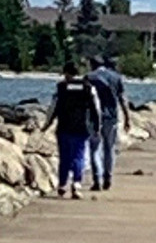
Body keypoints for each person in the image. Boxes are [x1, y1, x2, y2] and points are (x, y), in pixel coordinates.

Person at [42, 61, 102, 199]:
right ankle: (76, 183)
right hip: (82, 127)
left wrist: (47, 124)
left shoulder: (61, 87)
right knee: (79, 156)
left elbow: (53, 107)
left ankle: (62, 184)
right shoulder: (88, 87)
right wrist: (97, 126)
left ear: (67, 73)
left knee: (64, 157)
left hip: (64, 126)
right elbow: (95, 108)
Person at [86, 56, 132, 191]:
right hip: (111, 117)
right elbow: (123, 99)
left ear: (92, 64)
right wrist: (127, 117)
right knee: (109, 148)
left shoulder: (89, 77)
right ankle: (108, 177)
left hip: (94, 118)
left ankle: (96, 179)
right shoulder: (116, 78)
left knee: (94, 149)